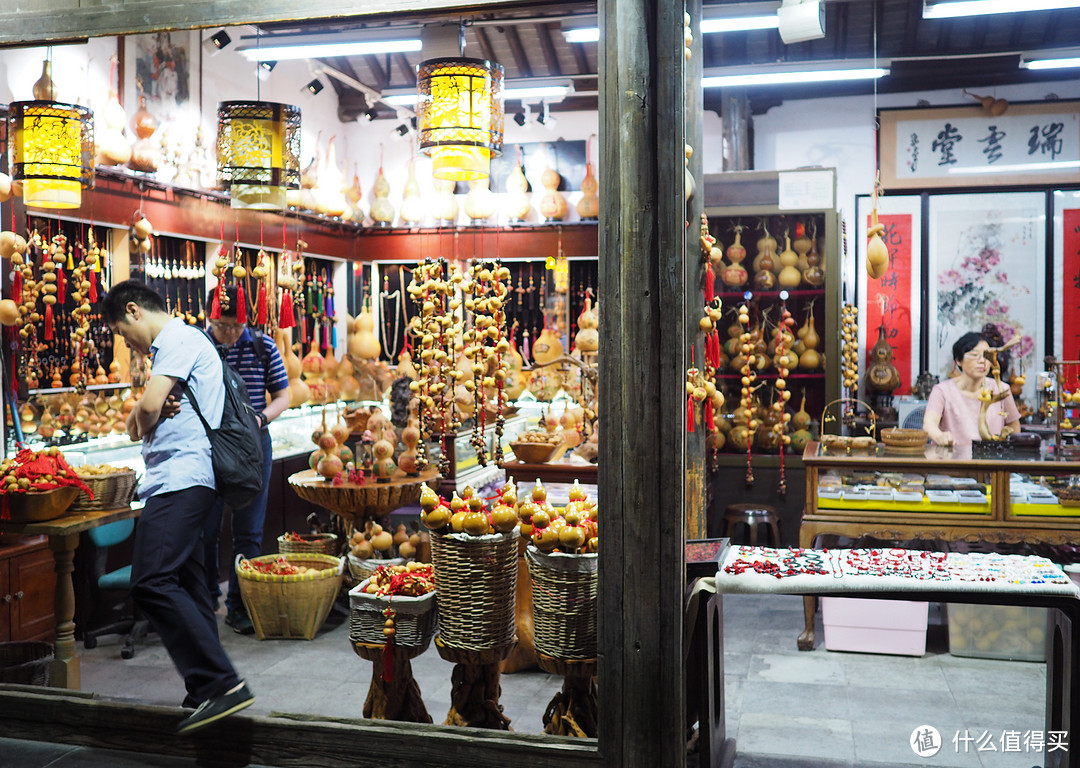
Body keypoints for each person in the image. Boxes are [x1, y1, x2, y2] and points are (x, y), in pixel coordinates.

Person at [103, 279, 254, 734]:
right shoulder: (170, 349)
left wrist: (148, 409)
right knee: (189, 588)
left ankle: (220, 684)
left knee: (150, 580)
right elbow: (135, 425)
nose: (130, 344)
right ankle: (205, 693)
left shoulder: (178, 340)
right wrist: (146, 411)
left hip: (182, 481)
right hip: (178, 480)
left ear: (135, 311)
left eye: (125, 334)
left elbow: (144, 410)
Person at [201, 284, 290, 634]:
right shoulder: (200, 346)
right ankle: (207, 595)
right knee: (205, 527)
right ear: (211, 318)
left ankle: (241, 605)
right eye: (222, 327)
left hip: (252, 446)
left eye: (236, 327)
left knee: (248, 531)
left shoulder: (261, 345)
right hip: (209, 447)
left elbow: (283, 395)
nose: (230, 335)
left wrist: (261, 418)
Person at [923, 330, 1022, 447]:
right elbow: (929, 424)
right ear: (958, 361)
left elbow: (1014, 427)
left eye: (987, 356)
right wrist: (940, 437)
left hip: (992, 460)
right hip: (953, 459)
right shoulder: (942, 391)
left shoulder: (1002, 389)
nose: (982, 361)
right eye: (975, 355)